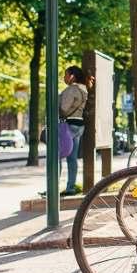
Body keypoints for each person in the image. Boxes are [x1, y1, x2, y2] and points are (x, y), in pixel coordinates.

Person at [59, 65, 88, 196]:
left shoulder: (71, 90)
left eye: (66, 75)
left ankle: (52, 187)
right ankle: (70, 187)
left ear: (72, 76)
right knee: (72, 158)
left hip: (68, 125)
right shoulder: (84, 90)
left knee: (55, 157)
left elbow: (64, 109)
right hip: (79, 125)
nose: (64, 77)